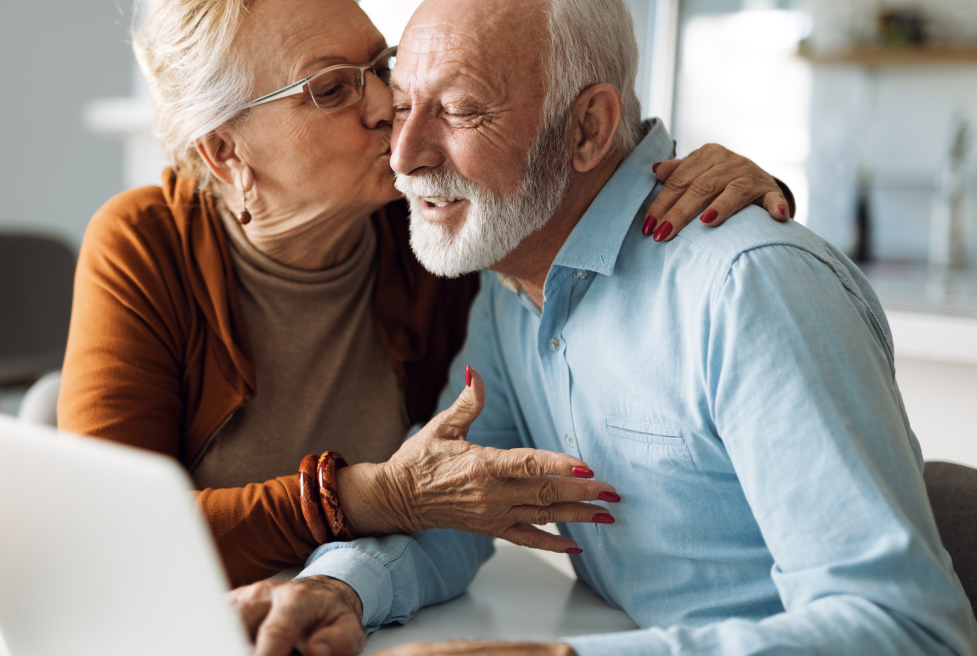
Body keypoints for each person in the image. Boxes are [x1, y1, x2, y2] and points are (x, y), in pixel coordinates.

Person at [238, 0, 977, 654]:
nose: (405, 156)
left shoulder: (748, 287)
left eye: (460, 110)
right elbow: (459, 499)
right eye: (402, 107)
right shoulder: (511, 279)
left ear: (586, 128)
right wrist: (344, 589)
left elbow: (905, 630)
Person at [59, 0, 796, 589]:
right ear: (225, 151)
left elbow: (568, 185)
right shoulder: (146, 243)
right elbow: (106, 543)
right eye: (333, 87)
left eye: (379, 65)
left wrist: (702, 185)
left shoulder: (438, 228)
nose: (385, 106)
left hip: (377, 615)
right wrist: (369, 497)